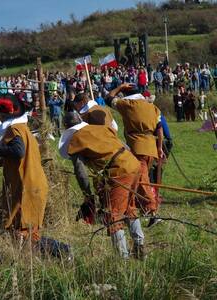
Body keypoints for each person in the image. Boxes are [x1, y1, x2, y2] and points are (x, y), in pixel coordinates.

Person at [59, 111, 146, 259]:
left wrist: (87, 195)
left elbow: (80, 171)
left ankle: (122, 260)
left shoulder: (76, 140)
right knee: (129, 208)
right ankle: (139, 246)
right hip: (133, 164)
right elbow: (124, 146)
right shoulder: (100, 128)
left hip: (119, 172)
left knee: (113, 215)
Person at [0, 94, 48, 244]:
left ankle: (61, 251)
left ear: (3, 115)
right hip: (31, 183)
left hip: (27, 186)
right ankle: (28, 262)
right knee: (27, 231)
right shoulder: (23, 128)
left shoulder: (14, 129)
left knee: (24, 232)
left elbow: (18, 151)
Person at [105, 83, 163, 224]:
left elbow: (108, 98)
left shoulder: (127, 104)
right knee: (139, 180)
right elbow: (159, 130)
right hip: (152, 148)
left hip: (138, 147)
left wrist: (119, 87)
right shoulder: (153, 107)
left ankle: (152, 212)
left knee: (142, 181)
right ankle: (133, 209)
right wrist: (160, 148)